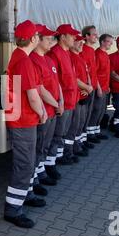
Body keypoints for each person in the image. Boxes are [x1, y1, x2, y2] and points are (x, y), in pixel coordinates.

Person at [4, 20, 47, 229]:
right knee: (24, 164)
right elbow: (32, 95)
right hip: (23, 120)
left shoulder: (19, 57)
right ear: (32, 39)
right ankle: (13, 210)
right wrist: (42, 112)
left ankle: (27, 194)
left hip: (20, 118)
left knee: (27, 162)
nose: (39, 38)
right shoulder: (25, 61)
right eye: (37, 35)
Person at [30, 25, 63, 191]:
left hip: (53, 110)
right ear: (38, 40)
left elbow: (56, 83)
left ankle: (40, 171)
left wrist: (61, 102)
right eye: (48, 38)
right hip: (43, 112)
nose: (52, 41)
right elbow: (40, 89)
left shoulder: (49, 59)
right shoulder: (33, 60)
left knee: (45, 145)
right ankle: (33, 180)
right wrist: (56, 104)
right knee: (38, 146)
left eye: (53, 38)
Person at [46, 24, 80, 178]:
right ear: (63, 36)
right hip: (62, 102)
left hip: (70, 100)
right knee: (56, 135)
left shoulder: (67, 53)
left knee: (62, 133)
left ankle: (56, 159)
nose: (74, 38)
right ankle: (49, 165)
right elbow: (54, 82)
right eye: (72, 35)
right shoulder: (55, 54)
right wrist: (58, 102)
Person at [63, 35, 94, 163]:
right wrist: (87, 87)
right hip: (76, 97)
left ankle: (76, 146)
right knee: (73, 126)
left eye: (82, 41)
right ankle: (68, 152)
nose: (81, 43)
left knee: (80, 123)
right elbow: (74, 79)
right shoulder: (71, 57)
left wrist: (89, 87)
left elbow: (86, 75)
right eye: (78, 41)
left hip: (83, 95)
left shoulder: (79, 57)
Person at [88, 34, 113, 139]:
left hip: (105, 88)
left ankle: (96, 131)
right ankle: (90, 133)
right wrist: (98, 88)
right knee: (96, 110)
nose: (110, 44)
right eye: (108, 42)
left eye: (111, 42)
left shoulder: (105, 54)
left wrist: (108, 86)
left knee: (102, 110)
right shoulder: (97, 54)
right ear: (102, 42)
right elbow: (94, 73)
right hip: (99, 88)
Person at [80, 26, 102, 145]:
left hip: (92, 88)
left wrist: (97, 87)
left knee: (88, 114)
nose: (96, 36)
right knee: (83, 116)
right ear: (87, 36)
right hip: (87, 89)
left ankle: (85, 139)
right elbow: (84, 72)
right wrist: (86, 87)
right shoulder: (82, 50)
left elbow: (93, 72)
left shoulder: (92, 51)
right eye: (94, 34)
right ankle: (82, 140)